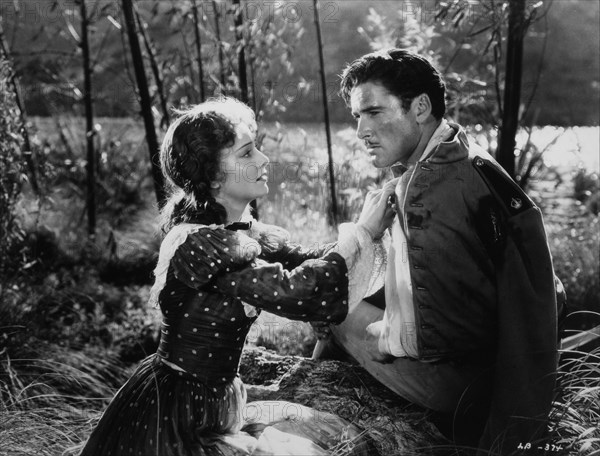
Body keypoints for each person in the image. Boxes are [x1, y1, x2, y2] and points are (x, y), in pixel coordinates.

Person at [76, 97, 396, 456]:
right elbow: (302, 292)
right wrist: (363, 233)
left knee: (345, 440)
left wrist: (373, 231)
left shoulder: (236, 232)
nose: (263, 159)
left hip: (215, 403)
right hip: (180, 415)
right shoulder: (202, 244)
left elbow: (307, 259)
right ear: (212, 175)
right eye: (246, 154)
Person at [314, 48, 561, 455]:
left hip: (462, 383)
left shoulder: (472, 184)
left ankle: (315, 410)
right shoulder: (430, 168)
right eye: (357, 116)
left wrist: (509, 441)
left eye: (374, 112)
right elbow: (425, 275)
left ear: (421, 107)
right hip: (443, 351)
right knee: (333, 285)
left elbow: (533, 309)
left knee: (331, 299)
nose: (361, 130)